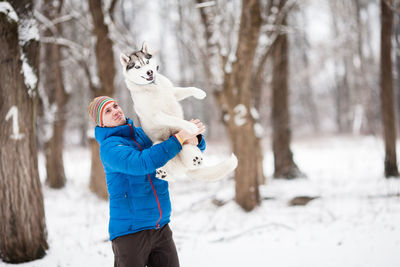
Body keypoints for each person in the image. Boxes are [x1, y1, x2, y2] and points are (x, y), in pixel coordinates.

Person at [88, 96, 206, 267]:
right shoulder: (110, 147)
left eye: (115, 105)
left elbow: (175, 152)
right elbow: (142, 163)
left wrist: (194, 140)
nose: (115, 110)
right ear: (101, 122)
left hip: (161, 227)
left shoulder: (143, 133)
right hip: (130, 233)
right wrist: (179, 139)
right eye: (108, 111)